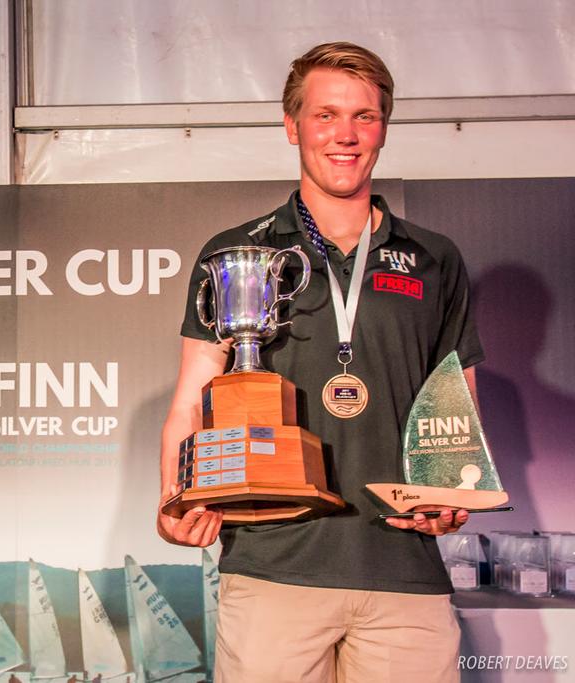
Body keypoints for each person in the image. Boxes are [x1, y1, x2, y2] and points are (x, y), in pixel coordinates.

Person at [157, 42, 481, 683]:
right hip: (274, 565)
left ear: (384, 128)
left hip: (403, 569)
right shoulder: (237, 252)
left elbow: (458, 404)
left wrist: (456, 492)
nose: (346, 135)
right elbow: (193, 397)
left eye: (365, 116)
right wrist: (172, 503)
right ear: (292, 125)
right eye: (326, 115)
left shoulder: (434, 258)